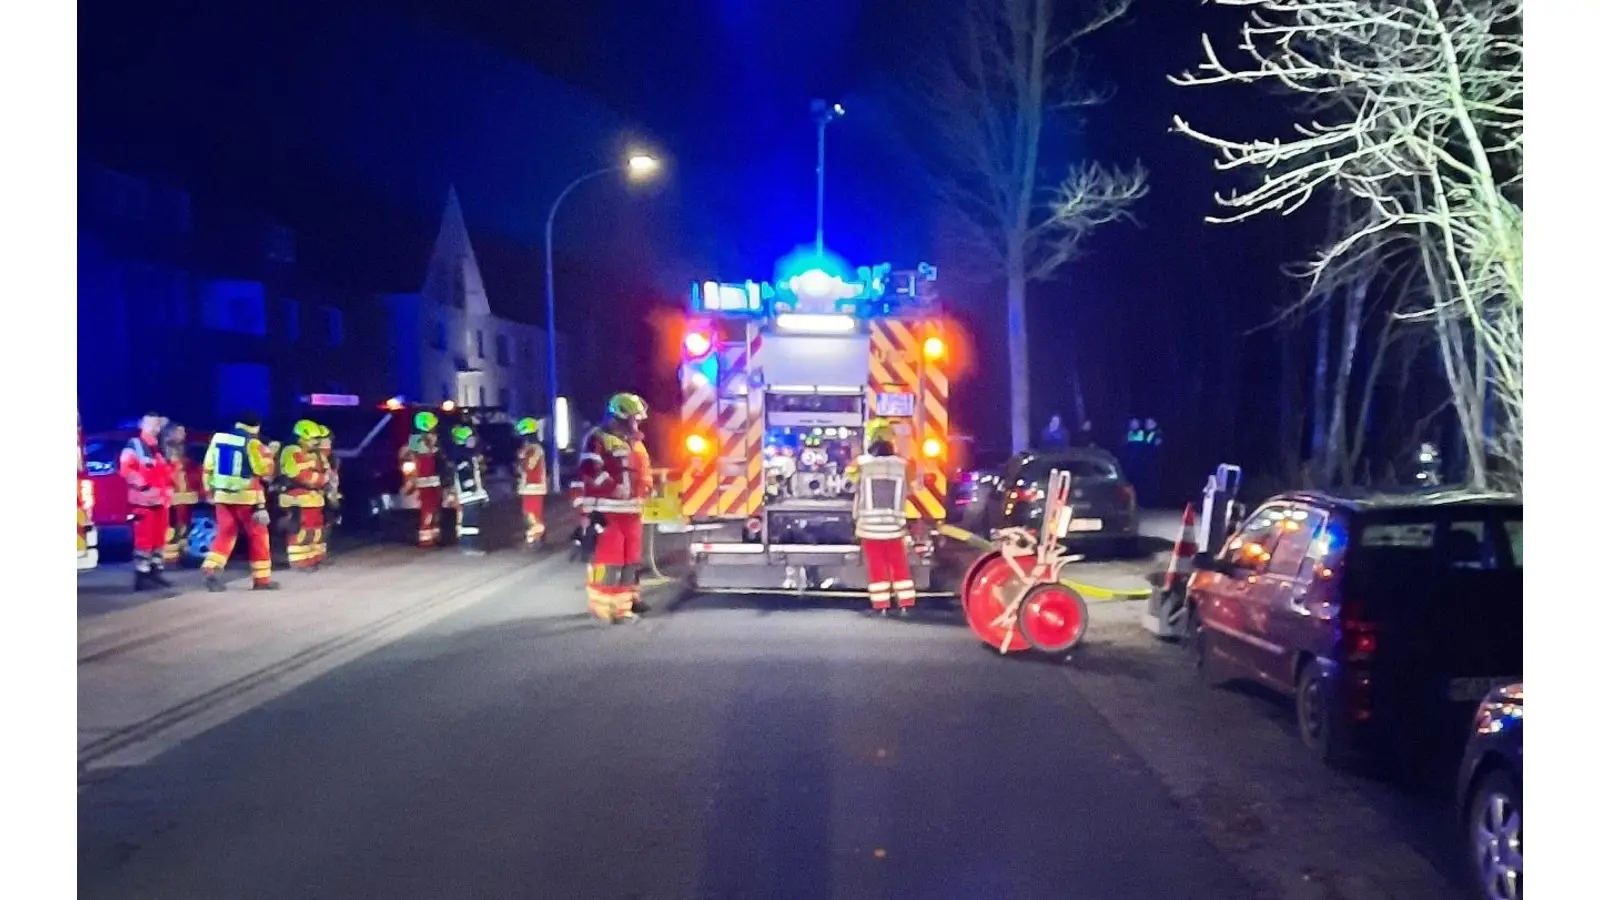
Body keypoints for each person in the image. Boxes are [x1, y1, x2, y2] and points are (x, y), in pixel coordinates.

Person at [571, 393, 654, 624]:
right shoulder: (598, 438)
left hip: (632, 512)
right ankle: (602, 607)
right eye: (634, 418)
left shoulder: (635, 442)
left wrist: (648, 488)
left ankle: (623, 608)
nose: (637, 423)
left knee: (630, 561)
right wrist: (612, 487)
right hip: (607, 512)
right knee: (609, 561)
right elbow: (589, 469)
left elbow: (642, 472)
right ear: (621, 417)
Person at [201, 412, 279, 591]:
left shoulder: (218, 439)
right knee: (258, 536)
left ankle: (211, 568)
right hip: (247, 497)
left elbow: (207, 467)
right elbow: (263, 471)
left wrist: (208, 492)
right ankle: (262, 580)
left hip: (221, 496)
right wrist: (270, 453)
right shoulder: (252, 443)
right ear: (256, 427)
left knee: (225, 533)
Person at [849, 418, 916, 615]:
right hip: (894, 527)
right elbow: (910, 488)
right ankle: (906, 603)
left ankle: (882, 606)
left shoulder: (861, 464)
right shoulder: (904, 465)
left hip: (869, 528)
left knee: (877, 567)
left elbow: (850, 480)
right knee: (899, 566)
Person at [119, 412, 174, 591]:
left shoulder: (158, 448)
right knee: (144, 540)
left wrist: (168, 490)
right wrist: (144, 486)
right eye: (151, 424)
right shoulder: (135, 445)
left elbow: (165, 474)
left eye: (157, 425)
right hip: (143, 503)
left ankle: (155, 573)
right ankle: (142, 576)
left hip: (160, 502)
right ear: (142, 425)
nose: (154, 428)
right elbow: (126, 469)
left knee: (158, 540)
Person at [278, 419, 329, 571]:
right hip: (297, 497)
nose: (316, 442)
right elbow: (300, 475)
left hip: (313, 498)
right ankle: (300, 562)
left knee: (317, 530)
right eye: (313, 439)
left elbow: (323, 470)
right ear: (301, 438)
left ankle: (315, 558)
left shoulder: (313, 453)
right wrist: (320, 479)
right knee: (301, 531)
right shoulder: (292, 451)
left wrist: (322, 480)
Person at [399, 411, 444, 548]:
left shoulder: (419, 439)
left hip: (432, 480)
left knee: (434, 508)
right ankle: (426, 539)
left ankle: (434, 536)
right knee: (429, 508)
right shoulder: (419, 440)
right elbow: (420, 455)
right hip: (427, 480)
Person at [161, 422, 201, 569]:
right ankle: (168, 561)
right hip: (171, 499)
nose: (183, 435)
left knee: (183, 529)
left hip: (183, 500)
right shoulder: (164, 453)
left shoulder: (183, 453)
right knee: (170, 532)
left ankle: (181, 557)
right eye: (179, 432)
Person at [446, 424, 489, 556]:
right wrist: (472, 489)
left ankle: (471, 545)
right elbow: (466, 477)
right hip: (469, 496)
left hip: (473, 495)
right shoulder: (462, 457)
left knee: (473, 522)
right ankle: (469, 547)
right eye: (470, 438)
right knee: (470, 523)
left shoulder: (468, 455)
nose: (473, 440)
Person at [514, 417, 548, 547]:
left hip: (533, 487)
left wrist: (521, 458)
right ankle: (536, 538)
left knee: (532, 514)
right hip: (530, 487)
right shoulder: (531, 448)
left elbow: (529, 467)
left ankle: (536, 539)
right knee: (531, 514)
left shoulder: (534, 449)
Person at [315, 423, 339, 567]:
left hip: (325, 493)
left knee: (325, 523)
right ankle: (318, 555)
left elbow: (333, 475)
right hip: (320, 493)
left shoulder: (330, 456)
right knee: (320, 525)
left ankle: (320, 554)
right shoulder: (319, 455)